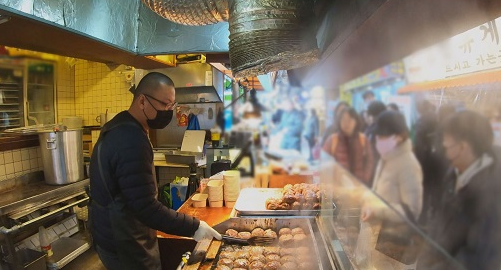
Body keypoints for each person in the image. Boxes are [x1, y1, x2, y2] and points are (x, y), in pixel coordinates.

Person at [89, 72, 221, 270]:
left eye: (172, 106)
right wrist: (194, 227)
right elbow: (145, 208)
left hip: (111, 234)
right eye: (164, 105)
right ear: (142, 101)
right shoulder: (131, 140)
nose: (169, 111)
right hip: (124, 241)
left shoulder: (118, 125)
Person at [417, 111, 501, 270]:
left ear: (463, 147)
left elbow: (479, 257)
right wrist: (426, 257)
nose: (444, 151)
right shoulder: (454, 173)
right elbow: (440, 221)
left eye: (447, 146)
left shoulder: (492, 191)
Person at [355, 111, 423, 270]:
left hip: (392, 248)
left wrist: (378, 209)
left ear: (398, 137)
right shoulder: (388, 158)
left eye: (382, 137)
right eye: (377, 137)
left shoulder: (408, 165)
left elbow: (411, 211)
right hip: (378, 242)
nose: (378, 141)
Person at [412, 100, 446, 225]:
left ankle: (423, 221)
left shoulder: (422, 122)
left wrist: (418, 164)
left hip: (425, 164)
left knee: (424, 193)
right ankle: (435, 219)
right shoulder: (437, 120)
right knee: (436, 192)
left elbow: (420, 146)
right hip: (436, 163)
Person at [323, 107, 375, 186]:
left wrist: (365, 178)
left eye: (350, 120)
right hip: (337, 188)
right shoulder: (332, 140)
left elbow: (370, 161)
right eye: (343, 120)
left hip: (359, 187)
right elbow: (324, 163)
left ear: (356, 121)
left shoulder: (363, 139)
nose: (346, 123)